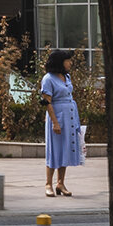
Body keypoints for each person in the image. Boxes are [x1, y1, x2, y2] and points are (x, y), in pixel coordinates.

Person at [40, 49, 84, 197]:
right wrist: (55, 122)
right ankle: (48, 183)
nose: (70, 63)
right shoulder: (48, 79)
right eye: (67, 60)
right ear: (60, 62)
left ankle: (61, 183)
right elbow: (47, 103)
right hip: (57, 116)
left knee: (66, 148)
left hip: (70, 116)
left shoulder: (66, 76)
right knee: (54, 150)